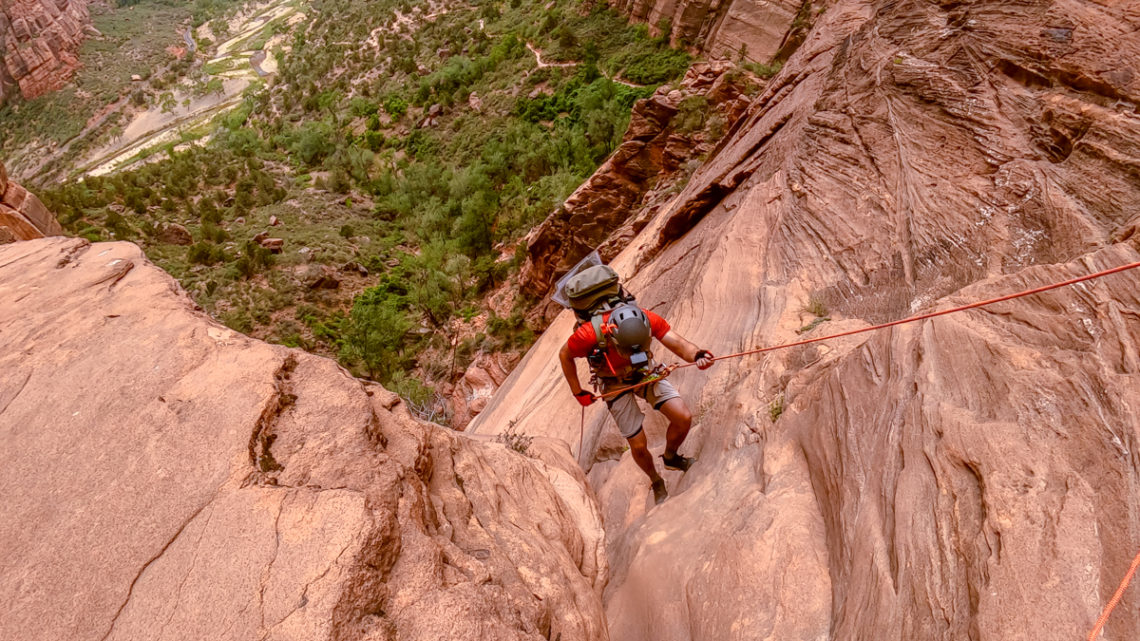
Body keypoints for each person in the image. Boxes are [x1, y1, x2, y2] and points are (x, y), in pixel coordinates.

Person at [559, 303, 714, 504]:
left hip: (645, 372)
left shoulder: (647, 319)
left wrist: (698, 355)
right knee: (639, 445)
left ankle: (671, 457)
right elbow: (565, 355)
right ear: (613, 338)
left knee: (682, 417)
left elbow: (676, 341)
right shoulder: (588, 334)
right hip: (612, 382)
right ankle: (656, 481)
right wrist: (577, 391)